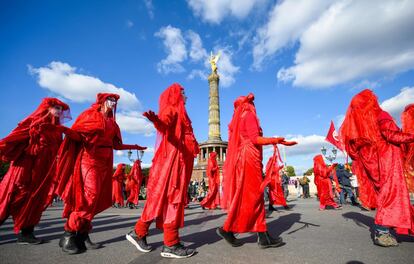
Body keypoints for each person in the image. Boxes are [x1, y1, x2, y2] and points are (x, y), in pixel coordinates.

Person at [54, 93, 146, 254]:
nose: (113, 102)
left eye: (115, 101)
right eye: (110, 99)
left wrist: (135, 146)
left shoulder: (112, 123)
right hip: (88, 160)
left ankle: (82, 235)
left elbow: (116, 145)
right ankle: (68, 234)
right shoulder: (89, 115)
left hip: (104, 163)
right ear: (102, 101)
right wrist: (64, 130)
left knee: (96, 199)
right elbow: (77, 135)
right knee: (90, 196)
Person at [126, 83, 199, 259]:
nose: (186, 96)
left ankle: (140, 232)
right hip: (173, 164)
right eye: (183, 93)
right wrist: (156, 121)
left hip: (177, 163)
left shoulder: (181, 112)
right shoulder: (172, 110)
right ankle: (170, 244)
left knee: (161, 200)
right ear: (175, 95)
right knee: (171, 200)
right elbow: (165, 125)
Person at [217, 93, 296, 249]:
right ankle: (243, 232)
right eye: (252, 103)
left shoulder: (237, 120)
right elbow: (255, 139)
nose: (254, 105)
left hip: (242, 159)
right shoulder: (248, 115)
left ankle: (245, 231)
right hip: (250, 159)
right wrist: (275, 140)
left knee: (247, 198)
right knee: (255, 197)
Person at [340, 89, 414, 247]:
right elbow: (392, 136)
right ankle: (382, 232)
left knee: (388, 197)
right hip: (388, 163)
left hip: (373, 166)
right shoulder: (380, 115)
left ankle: (393, 228)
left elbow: (353, 151)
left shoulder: (359, 125)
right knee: (391, 197)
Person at [0, 98, 71, 244]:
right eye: (55, 107)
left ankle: (26, 233)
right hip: (25, 167)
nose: (58, 111)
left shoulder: (58, 130)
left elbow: (59, 151)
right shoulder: (34, 121)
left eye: (60, 108)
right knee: (12, 197)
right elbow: (15, 137)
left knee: (35, 201)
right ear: (47, 108)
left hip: (43, 171)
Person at [265, 146, 291, 211]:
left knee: (273, 194)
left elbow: (274, 170)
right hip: (273, 181)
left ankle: (271, 207)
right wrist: (279, 168)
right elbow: (272, 171)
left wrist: (280, 167)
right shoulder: (270, 165)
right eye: (275, 159)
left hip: (274, 180)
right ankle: (285, 205)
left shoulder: (270, 165)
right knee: (278, 193)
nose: (276, 161)